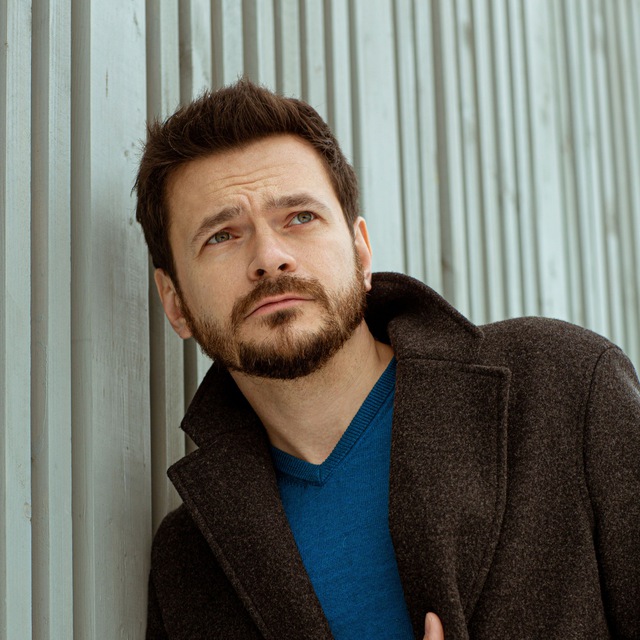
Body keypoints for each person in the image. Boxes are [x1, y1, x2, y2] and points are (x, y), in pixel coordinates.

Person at [135, 79, 639, 639]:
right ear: (175, 303)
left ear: (361, 251)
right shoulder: (188, 564)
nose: (270, 258)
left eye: (299, 217)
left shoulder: (564, 386)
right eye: (221, 236)